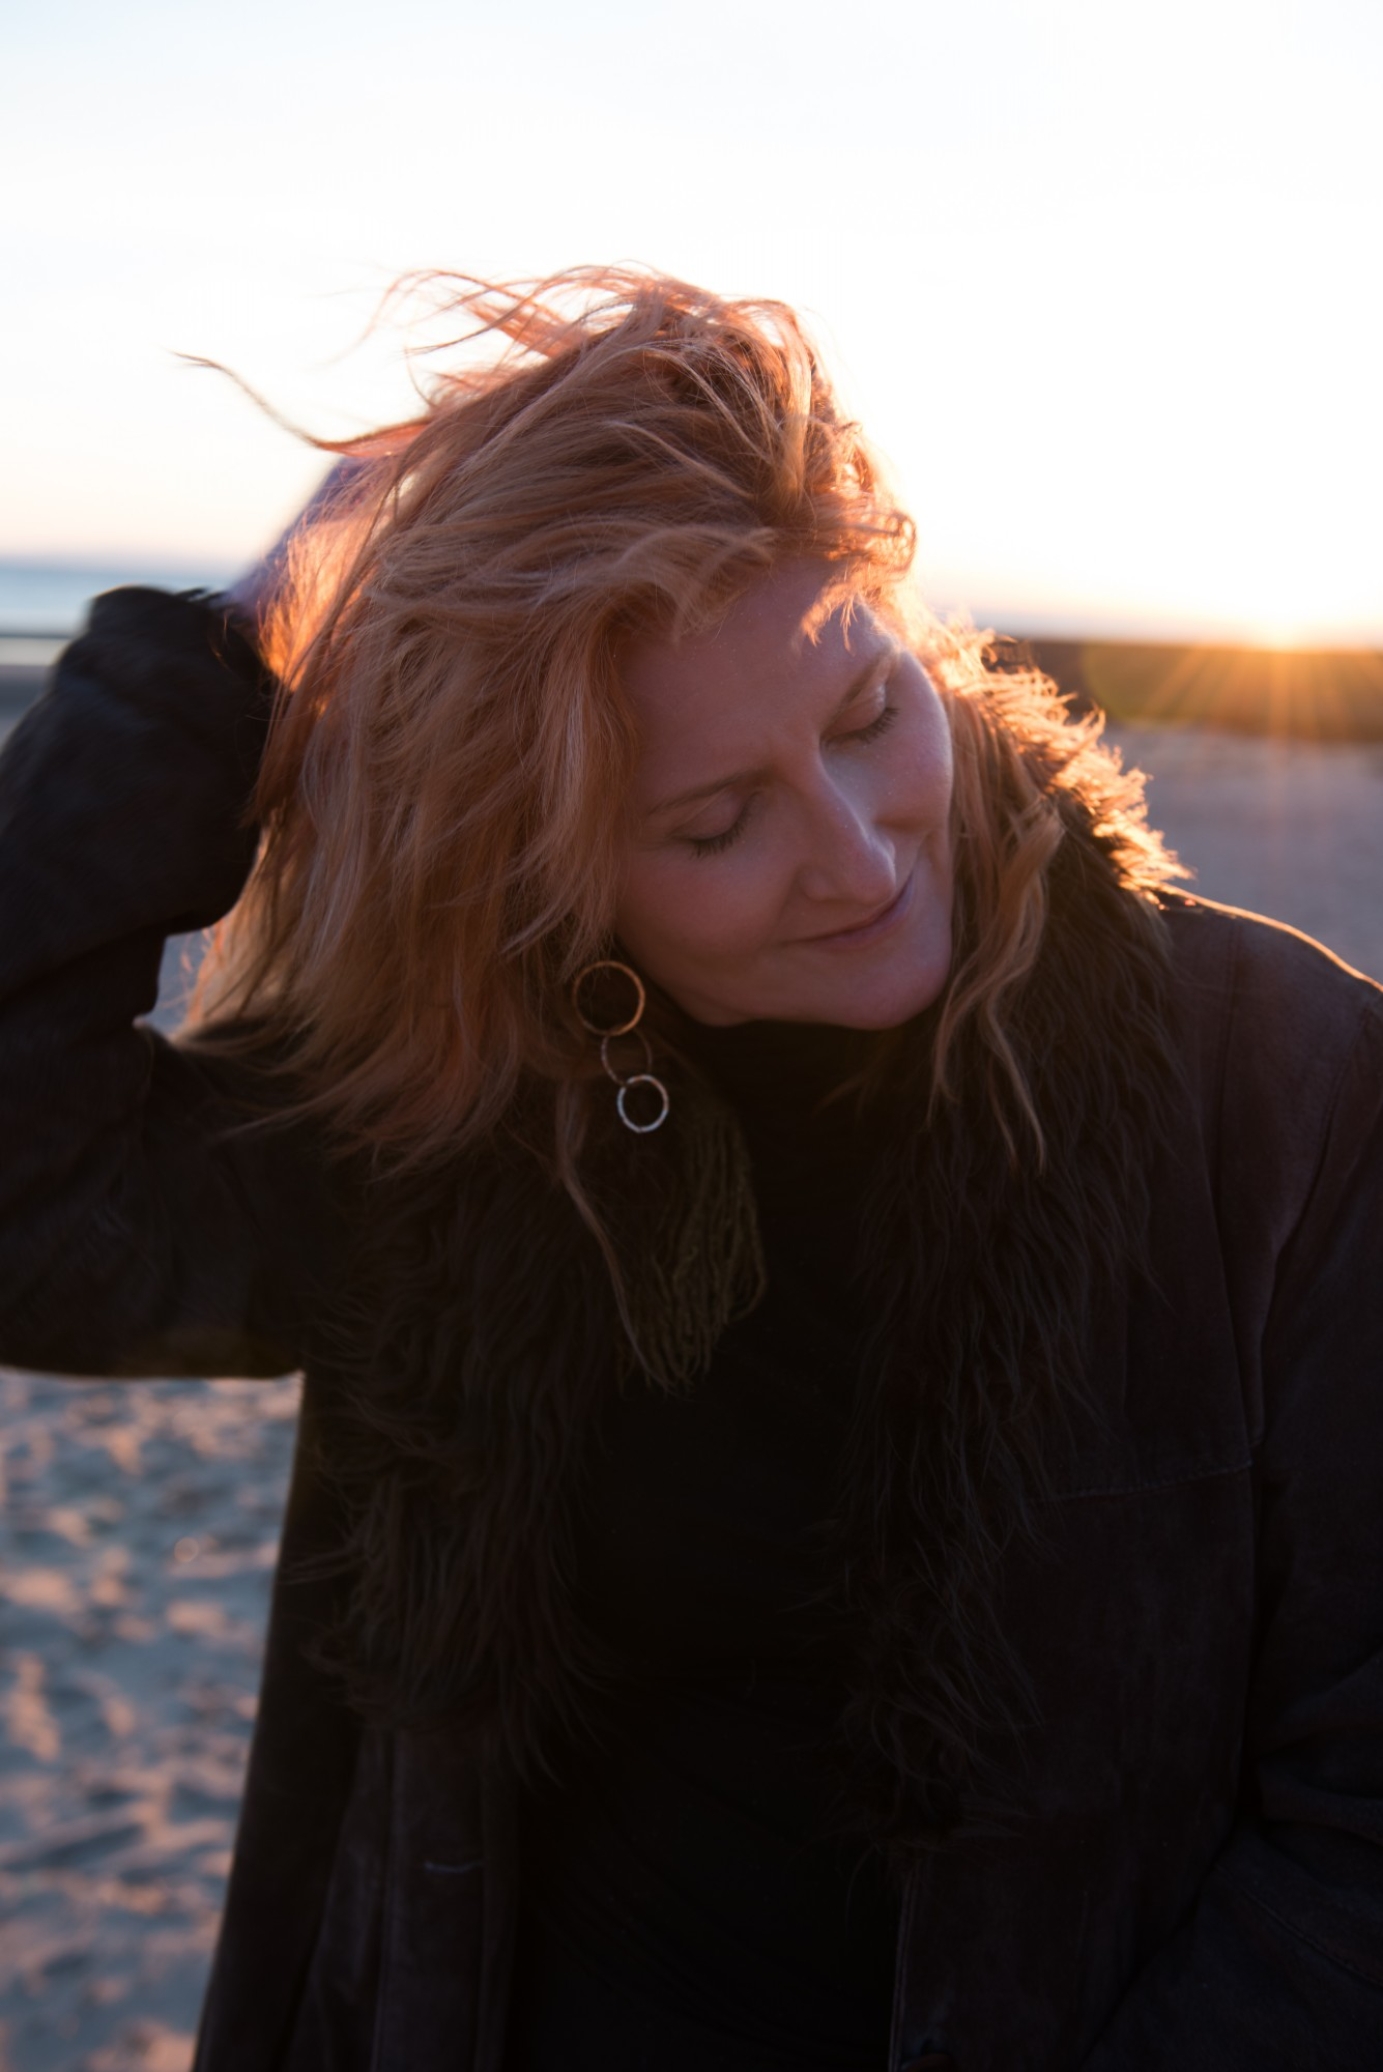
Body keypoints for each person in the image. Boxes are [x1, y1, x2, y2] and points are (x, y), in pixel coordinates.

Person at [1, 268, 1381, 2072]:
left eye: (870, 711)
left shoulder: (1284, 1094)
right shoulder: (466, 1105)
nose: (860, 854)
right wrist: (219, 662)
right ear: (552, 871)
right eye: (714, 824)